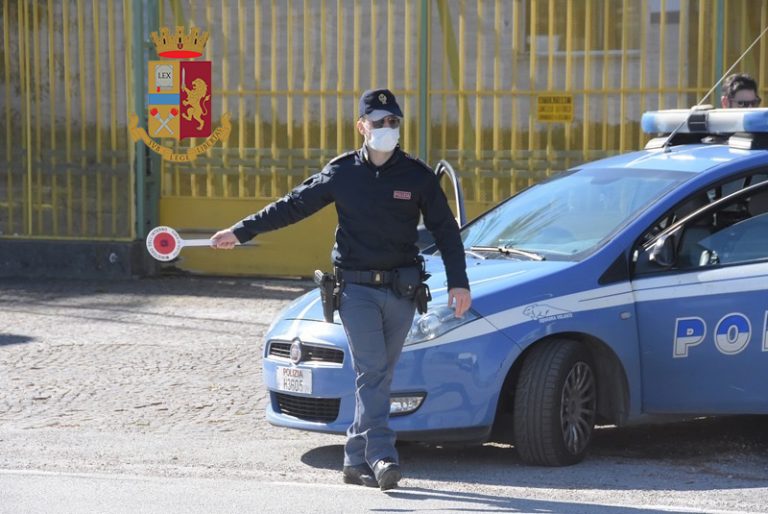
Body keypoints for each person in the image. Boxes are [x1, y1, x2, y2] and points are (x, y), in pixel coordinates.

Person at [210, 88, 471, 491]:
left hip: (402, 290)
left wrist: (459, 282)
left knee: (380, 376)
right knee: (372, 371)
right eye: (379, 121)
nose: (387, 128)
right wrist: (241, 232)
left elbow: (446, 231)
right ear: (361, 126)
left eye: (394, 122)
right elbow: (292, 205)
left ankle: (354, 459)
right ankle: (383, 455)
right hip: (357, 290)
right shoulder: (343, 172)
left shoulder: (416, 176)